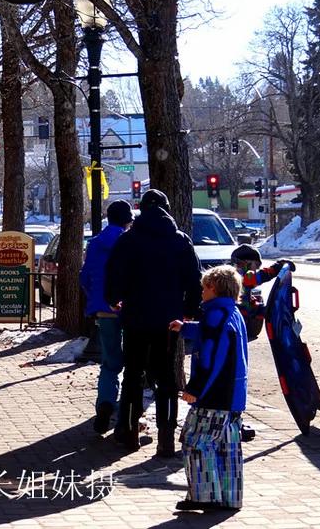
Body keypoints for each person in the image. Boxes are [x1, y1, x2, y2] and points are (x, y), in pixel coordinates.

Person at [105, 189, 201, 456]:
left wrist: (114, 299)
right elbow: (194, 279)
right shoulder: (180, 241)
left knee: (133, 375)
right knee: (167, 379)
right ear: (168, 209)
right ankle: (165, 439)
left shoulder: (128, 240)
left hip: (135, 317)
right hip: (169, 320)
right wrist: (190, 310)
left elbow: (114, 275)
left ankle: (129, 431)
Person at [169, 265, 248, 512]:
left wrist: (195, 388)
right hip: (233, 396)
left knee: (196, 443)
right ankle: (229, 498)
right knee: (228, 448)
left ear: (213, 288)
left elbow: (210, 355)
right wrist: (185, 328)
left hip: (214, 394)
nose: (201, 292)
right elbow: (212, 335)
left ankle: (203, 496)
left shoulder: (215, 316)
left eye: (204, 288)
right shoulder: (232, 314)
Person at [79, 200, 134, 434]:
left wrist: (96, 299)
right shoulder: (130, 242)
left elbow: (85, 277)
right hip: (130, 309)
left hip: (104, 309)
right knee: (133, 362)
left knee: (110, 362)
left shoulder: (95, 244)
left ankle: (104, 404)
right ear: (127, 220)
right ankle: (126, 416)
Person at [230, 244, 293, 341]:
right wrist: (275, 269)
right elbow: (260, 276)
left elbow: (257, 302)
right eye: (256, 265)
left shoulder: (252, 287)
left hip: (249, 325)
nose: (257, 269)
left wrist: (265, 311)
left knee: (256, 293)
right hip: (238, 322)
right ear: (245, 263)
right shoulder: (238, 277)